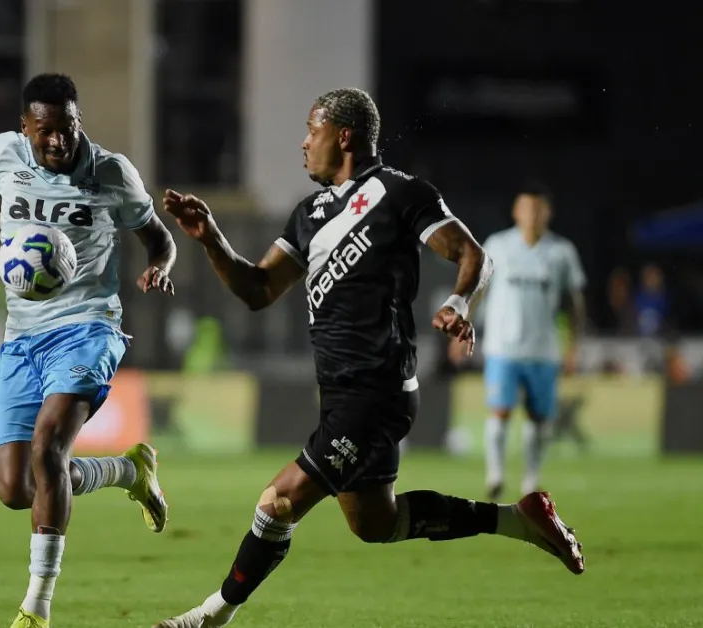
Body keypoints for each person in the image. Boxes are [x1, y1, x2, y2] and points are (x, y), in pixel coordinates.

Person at [154, 88, 584, 628]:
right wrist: (212, 238)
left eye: (313, 131)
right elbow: (259, 289)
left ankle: (212, 615)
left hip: (378, 391)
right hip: (338, 393)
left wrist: (457, 303)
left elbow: (473, 253)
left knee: (278, 502)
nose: (304, 143)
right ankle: (520, 520)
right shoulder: (307, 215)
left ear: (344, 135)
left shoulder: (401, 193)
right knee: (376, 523)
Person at [0, 73, 177, 628]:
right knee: (16, 487)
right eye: (45, 131)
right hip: (22, 338)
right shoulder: (2, 156)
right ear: (25, 128)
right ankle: (127, 472)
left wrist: (160, 266)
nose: (57, 142)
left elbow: (158, 237)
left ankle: (36, 607)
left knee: (49, 448)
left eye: (67, 129)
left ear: (78, 122)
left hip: (89, 327)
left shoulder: (112, 172)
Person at [478, 185, 587, 500]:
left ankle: (529, 480)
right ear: (516, 212)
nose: (532, 215)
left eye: (538, 209)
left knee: (539, 419)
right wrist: (466, 323)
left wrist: (573, 344)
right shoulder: (497, 245)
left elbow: (574, 300)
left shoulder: (561, 251)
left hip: (544, 349)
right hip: (502, 347)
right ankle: (495, 474)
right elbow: (479, 288)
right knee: (500, 413)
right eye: (526, 208)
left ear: (548, 214)